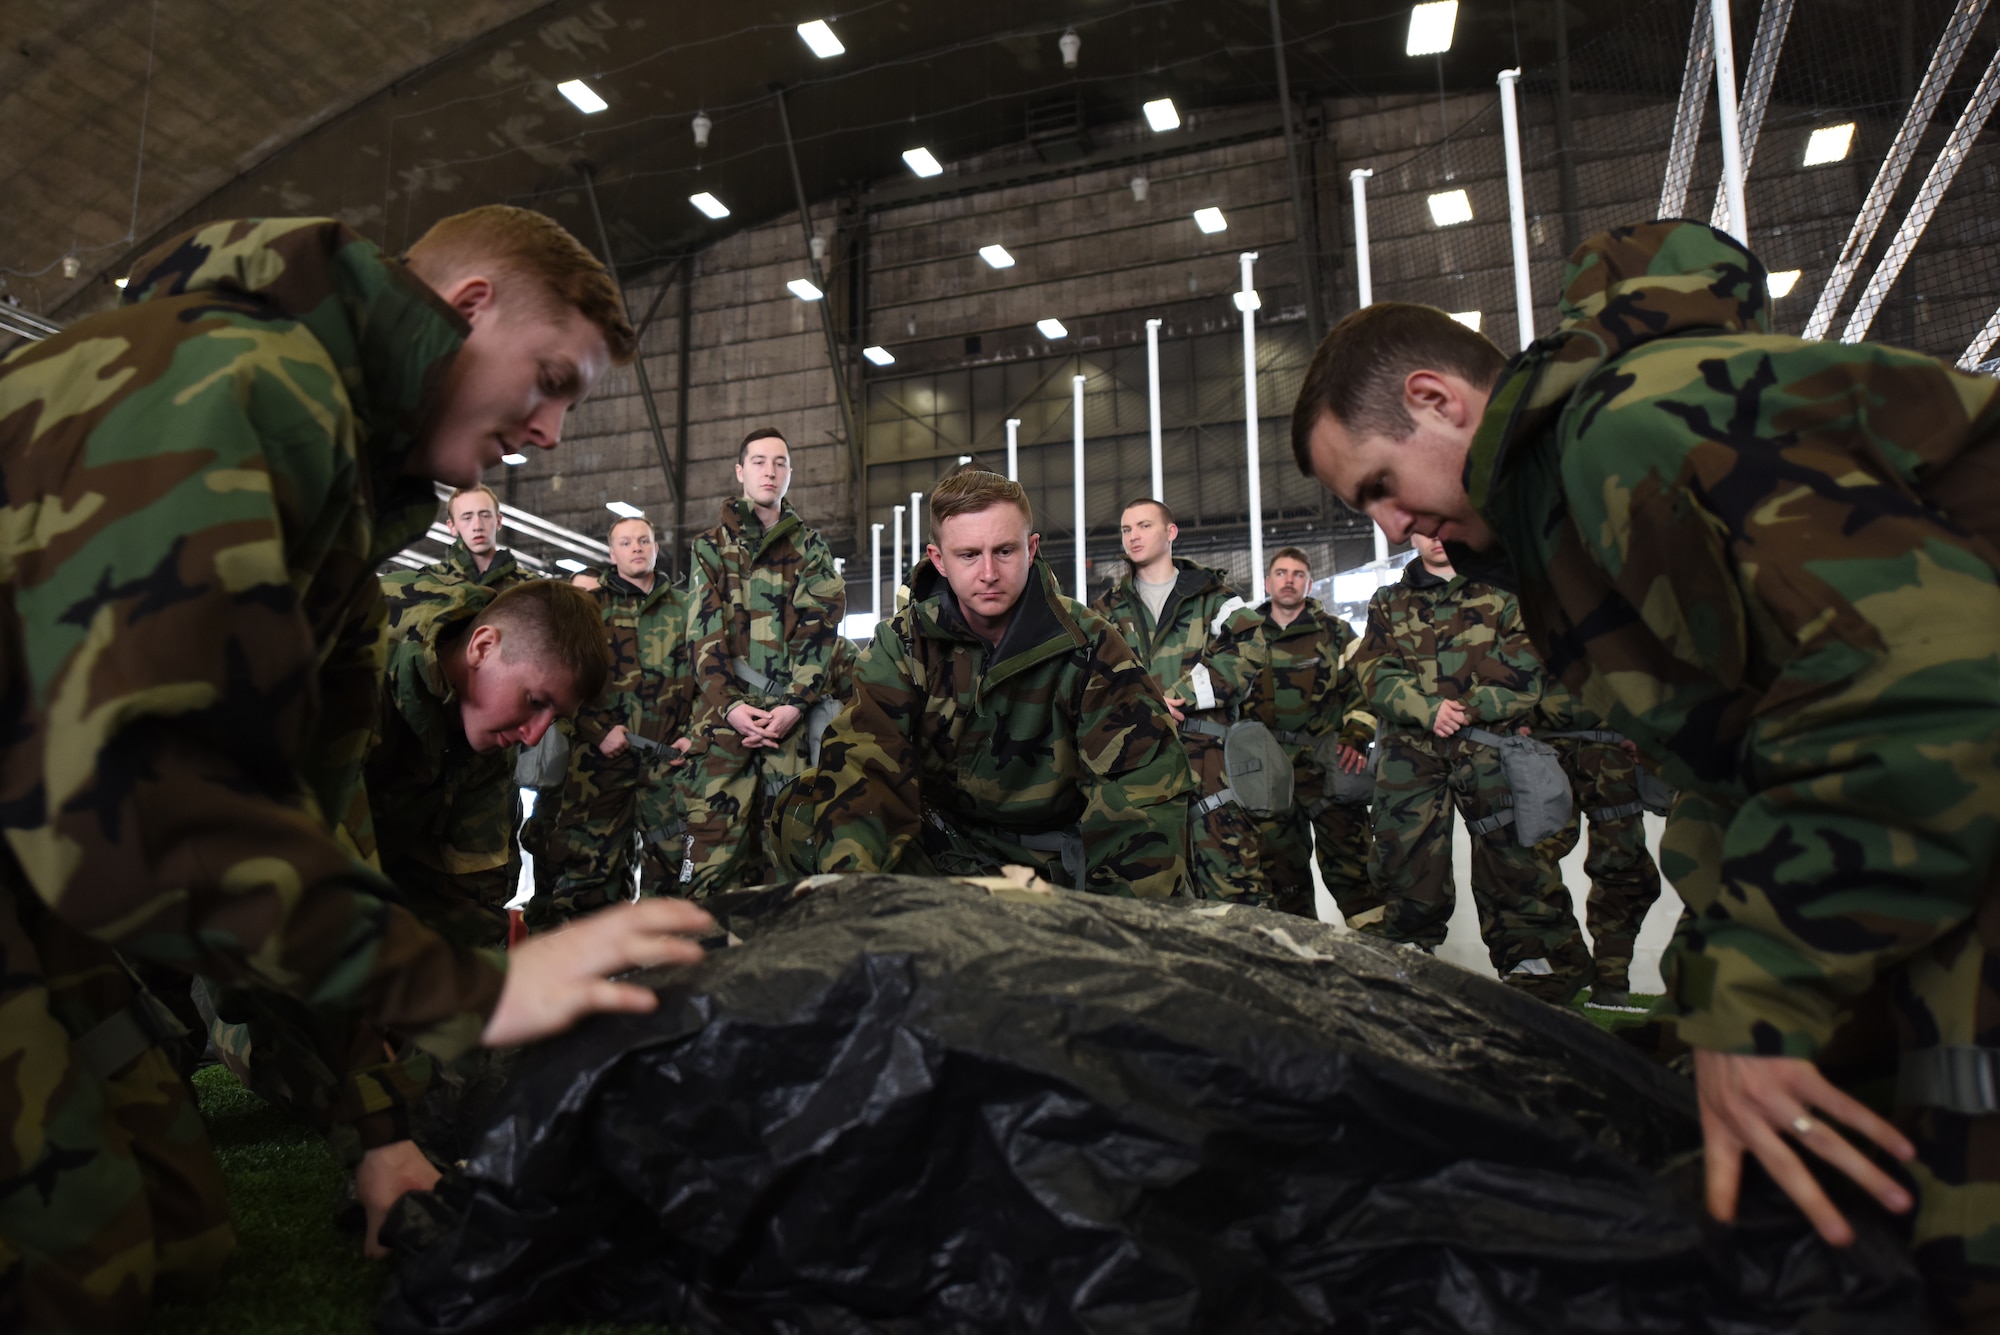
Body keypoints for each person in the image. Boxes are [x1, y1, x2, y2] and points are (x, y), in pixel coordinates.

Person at [0, 207, 715, 1332]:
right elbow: (134, 807)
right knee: (73, 1271)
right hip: (61, 840)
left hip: (36, 845)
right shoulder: (242, 385)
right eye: (547, 380)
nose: (550, 433)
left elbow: (316, 826)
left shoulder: (345, 529)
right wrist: (470, 993)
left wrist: (377, 1132)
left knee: (179, 1234)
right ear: (467, 309)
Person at [1290, 218, 2000, 1328]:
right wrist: (1704, 1017)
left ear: (1436, 400)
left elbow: (1919, 687)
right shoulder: (1555, 514)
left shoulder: (1623, 436)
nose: (1387, 527)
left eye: (1377, 485)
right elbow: (1741, 774)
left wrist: (1756, 1008)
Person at [201, 578, 611, 1213]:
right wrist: (379, 1124)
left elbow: (466, 913)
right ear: (481, 646)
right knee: (291, 1027)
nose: (535, 736)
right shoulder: (350, 662)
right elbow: (314, 905)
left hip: (358, 865)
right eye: (534, 702)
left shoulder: (488, 728)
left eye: (552, 717)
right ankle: (212, 1015)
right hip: (219, 862)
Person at [772, 469, 1192, 896]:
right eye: (969, 555)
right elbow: (864, 765)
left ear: (1031, 549)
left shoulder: (1089, 644)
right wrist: (858, 900)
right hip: (943, 850)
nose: (989, 572)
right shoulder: (902, 643)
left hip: (1057, 862)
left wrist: (1118, 930)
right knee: (807, 806)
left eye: (1004, 551)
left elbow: (1141, 793)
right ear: (939, 560)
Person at [1351, 532, 1591, 1002]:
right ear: (1410, 534)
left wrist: (1466, 707)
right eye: (1424, 528)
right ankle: (1409, 966)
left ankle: (1535, 971)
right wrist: (1426, 710)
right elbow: (1374, 670)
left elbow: (1526, 659)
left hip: (1493, 746)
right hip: (1410, 753)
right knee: (1406, 858)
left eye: (1443, 525)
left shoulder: (1504, 591)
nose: (1436, 536)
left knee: (1515, 857)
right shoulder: (1389, 601)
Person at [680, 428, 846, 897]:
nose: (770, 471)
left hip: (787, 728)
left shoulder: (812, 549)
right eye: (759, 461)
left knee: (788, 861)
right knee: (710, 869)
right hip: (722, 728)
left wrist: (794, 705)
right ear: (740, 471)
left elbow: (822, 632)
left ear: (790, 473)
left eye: (780, 463)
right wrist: (730, 706)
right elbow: (702, 635)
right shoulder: (709, 548)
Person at [1093, 499, 1269, 905]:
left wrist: (1181, 697)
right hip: (1136, 764)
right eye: (1125, 529)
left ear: (1170, 532)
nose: (1133, 536)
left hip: (1210, 764)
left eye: (1143, 525)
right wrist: (1145, 706)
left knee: (1230, 879)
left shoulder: (1215, 598)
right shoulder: (1105, 610)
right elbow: (1093, 674)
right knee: (1145, 884)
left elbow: (1248, 651)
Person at [526, 516, 694, 927]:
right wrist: (597, 730)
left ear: (656, 547)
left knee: (671, 870)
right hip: (600, 763)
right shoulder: (589, 608)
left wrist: (694, 735)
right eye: (626, 542)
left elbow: (709, 676)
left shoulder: (686, 608)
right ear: (611, 552)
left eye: (644, 540)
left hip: (668, 762)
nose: (636, 548)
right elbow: (561, 680)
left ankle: (661, 972)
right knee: (590, 874)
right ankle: (592, 971)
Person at [1228, 547, 1379, 922]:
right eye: (1281, 573)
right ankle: (1300, 963)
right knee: (1280, 878)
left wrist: (1357, 733)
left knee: (1356, 872)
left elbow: (1367, 685)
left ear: (1308, 582)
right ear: (1267, 582)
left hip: (1328, 766)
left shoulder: (1336, 631)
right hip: (1267, 774)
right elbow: (1226, 692)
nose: (1289, 580)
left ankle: (1380, 962)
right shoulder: (1246, 634)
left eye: (1297, 573)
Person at [397, 482, 530, 591]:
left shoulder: (529, 586)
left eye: (485, 516)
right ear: (452, 526)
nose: (477, 526)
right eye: (467, 518)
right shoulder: (428, 582)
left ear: (499, 521)